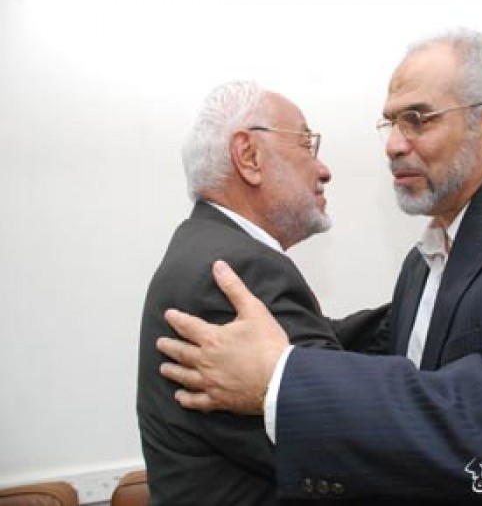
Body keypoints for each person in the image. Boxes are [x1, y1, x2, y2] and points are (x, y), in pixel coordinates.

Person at [157, 28, 482, 504]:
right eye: (391, 123)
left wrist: (281, 378)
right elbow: (401, 352)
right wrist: (277, 343)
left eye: (417, 119)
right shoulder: (423, 262)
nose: (394, 145)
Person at [137, 80, 387, 505]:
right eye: (307, 143)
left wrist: (428, 304)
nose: (324, 169)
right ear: (248, 156)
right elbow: (337, 432)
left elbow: (308, 351)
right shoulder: (234, 270)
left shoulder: (208, 246)